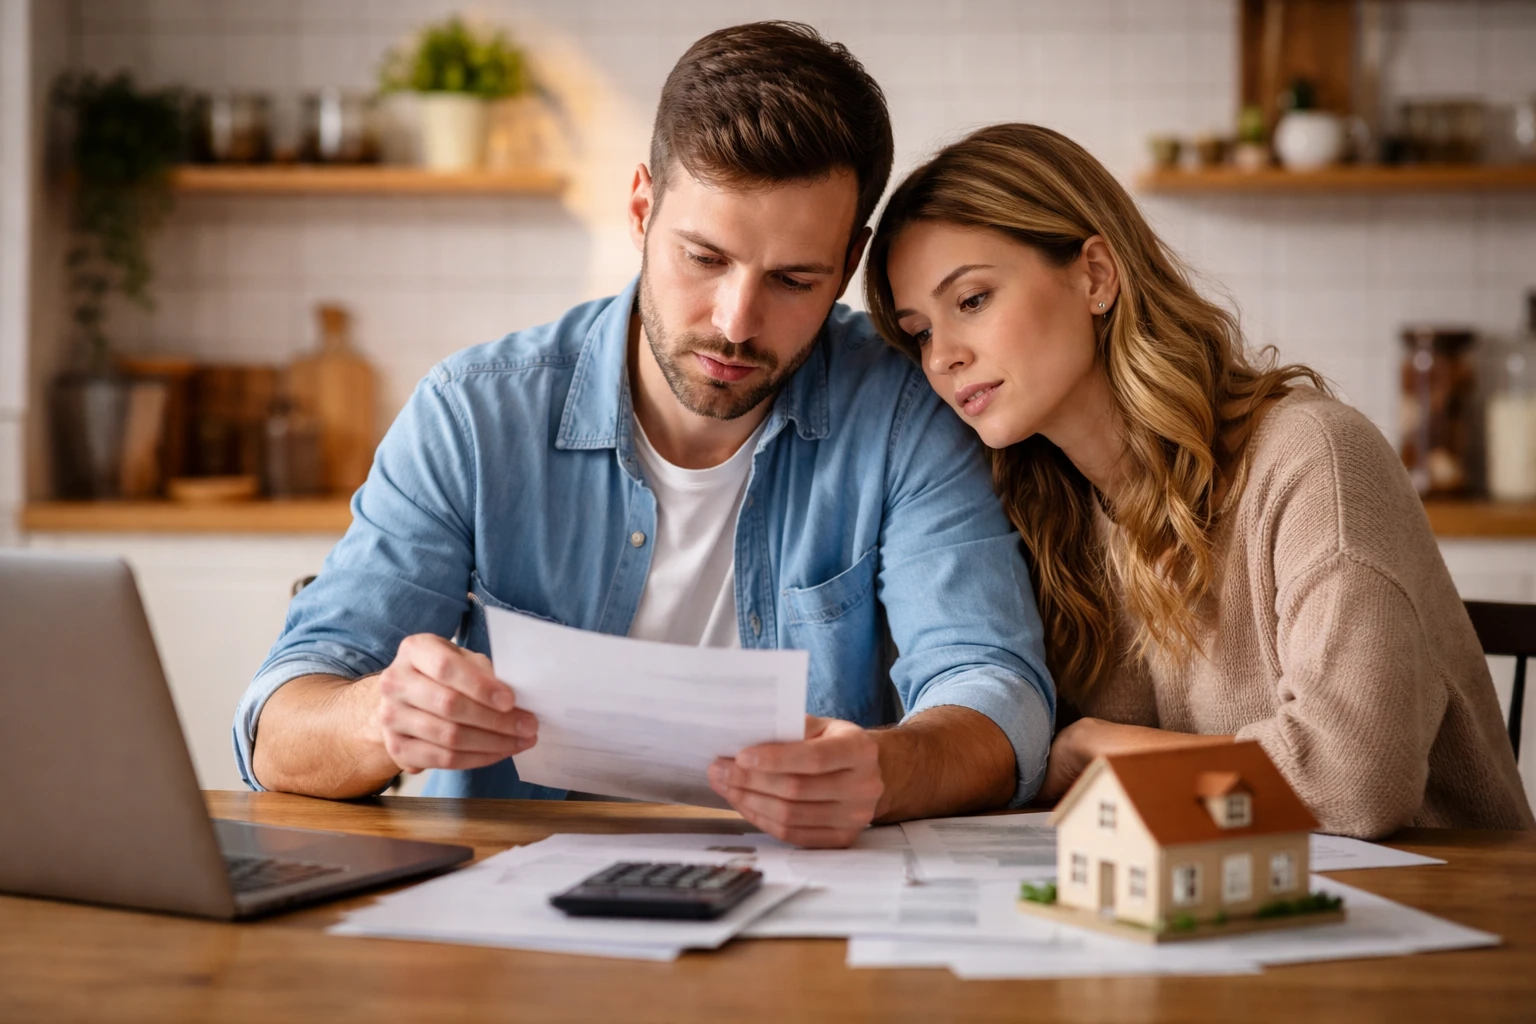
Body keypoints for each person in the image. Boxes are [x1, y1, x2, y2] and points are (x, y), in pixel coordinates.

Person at [233, 25, 1055, 849]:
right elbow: (276, 725)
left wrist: (888, 769)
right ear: (640, 208)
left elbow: (996, 692)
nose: (736, 322)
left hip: (811, 914)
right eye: (703, 258)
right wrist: (379, 719)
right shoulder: (473, 416)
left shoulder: (904, 413)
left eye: (793, 280)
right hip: (512, 917)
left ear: (847, 265)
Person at [865, 122, 1534, 839]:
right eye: (921, 331)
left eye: (970, 301)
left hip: (1436, 916)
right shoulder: (1036, 513)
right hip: (1212, 916)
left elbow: (1356, 781)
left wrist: (1102, 749)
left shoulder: (1314, 458)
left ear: (1095, 275)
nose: (942, 359)